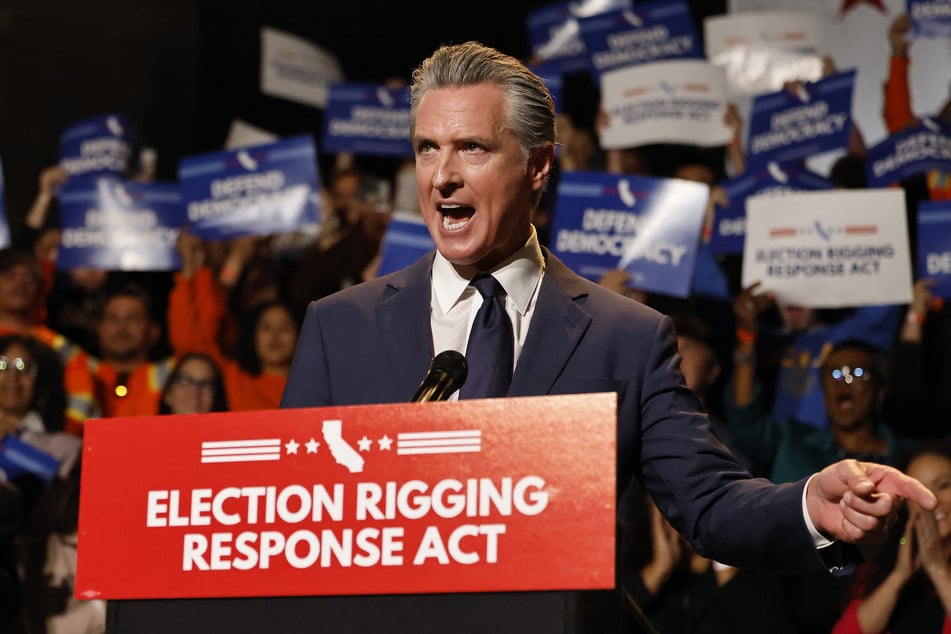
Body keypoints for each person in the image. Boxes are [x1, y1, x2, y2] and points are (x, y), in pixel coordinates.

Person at [281, 41, 935, 629]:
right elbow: (289, 522)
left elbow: (707, 503)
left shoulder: (625, 335)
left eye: (471, 148)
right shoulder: (340, 327)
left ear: (538, 167)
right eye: (427, 147)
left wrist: (809, 509)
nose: (441, 176)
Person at [833, 441, 951, 633]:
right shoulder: (885, 562)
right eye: (918, 491)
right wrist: (899, 575)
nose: (932, 500)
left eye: (944, 485)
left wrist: (938, 569)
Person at [88, 282, 174, 418]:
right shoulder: (78, 372)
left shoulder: (172, 377)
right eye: (113, 319)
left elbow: (203, 344)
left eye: (132, 319)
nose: (121, 328)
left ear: (153, 331)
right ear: (98, 329)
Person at [157, 352, 228, 415]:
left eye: (206, 384)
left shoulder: (232, 430)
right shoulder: (148, 429)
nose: (195, 391)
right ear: (168, 393)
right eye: (185, 380)